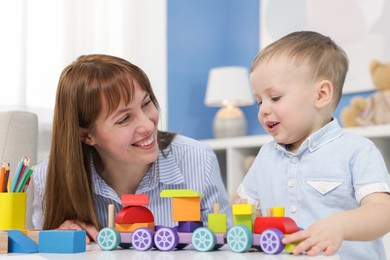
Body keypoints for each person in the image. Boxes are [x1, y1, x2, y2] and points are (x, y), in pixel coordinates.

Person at [32, 54, 232, 243]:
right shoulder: (47, 178)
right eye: (125, 118)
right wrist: (55, 240)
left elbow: (227, 249)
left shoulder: (198, 160)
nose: (148, 125)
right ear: (86, 135)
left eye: (146, 104)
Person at [237, 31, 390, 259]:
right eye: (259, 101)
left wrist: (341, 225)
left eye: (275, 97)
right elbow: (248, 212)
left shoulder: (357, 151)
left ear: (321, 94)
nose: (263, 109)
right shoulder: (265, 156)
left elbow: (383, 212)